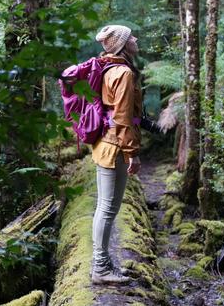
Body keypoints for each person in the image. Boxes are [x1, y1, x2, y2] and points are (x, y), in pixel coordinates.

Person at [90, 25, 143, 285]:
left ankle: (103, 263)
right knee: (108, 208)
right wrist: (132, 152)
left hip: (105, 143)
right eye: (130, 36)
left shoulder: (107, 67)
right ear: (122, 44)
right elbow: (122, 117)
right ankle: (100, 268)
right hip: (115, 147)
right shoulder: (122, 72)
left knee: (104, 207)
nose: (135, 38)